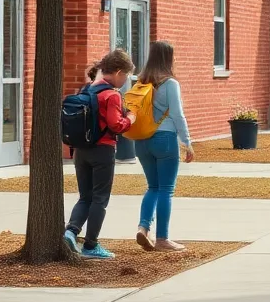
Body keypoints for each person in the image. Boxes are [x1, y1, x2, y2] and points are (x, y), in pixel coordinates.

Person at [64, 50, 134, 260]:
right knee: (100, 199)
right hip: (102, 151)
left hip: (81, 150)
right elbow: (116, 124)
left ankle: (71, 231)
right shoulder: (111, 95)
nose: (125, 81)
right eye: (126, 76)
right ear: (119, 72)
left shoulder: (87, 90)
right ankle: (91, 244)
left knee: (85, 196)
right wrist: (131, 118)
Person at [133, 41, 195, 252]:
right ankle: (162, 239)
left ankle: (143, 227)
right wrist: (187, 142)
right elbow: (177, 115)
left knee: (153, 187)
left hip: (141, 141)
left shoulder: (140, 82)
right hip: (164, 140)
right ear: (168, 59)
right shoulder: (170, 83)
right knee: (166, 190)